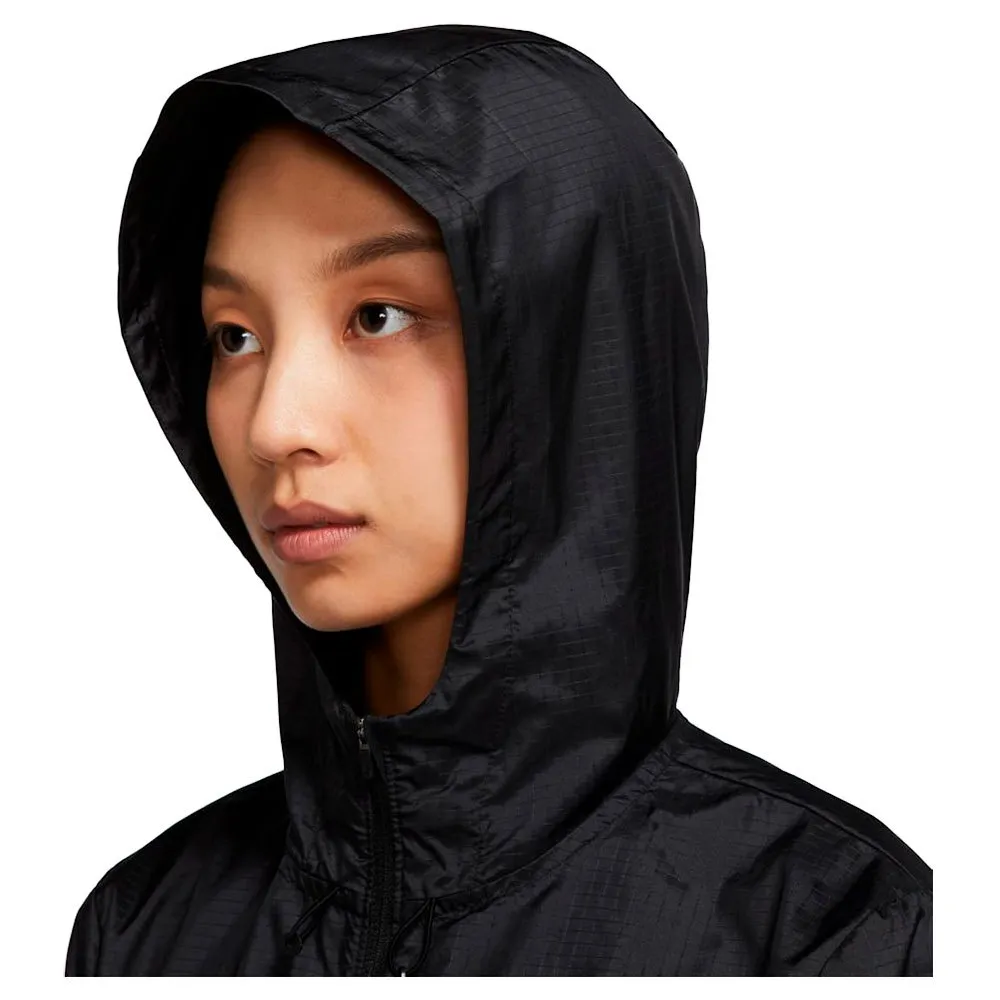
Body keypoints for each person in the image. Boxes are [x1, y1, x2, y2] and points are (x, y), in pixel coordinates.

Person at [65, 24, 932, 976]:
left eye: (378, 317)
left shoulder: (828, 929)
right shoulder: (142, 930)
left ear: (577, 347)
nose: (276, 426)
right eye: (233, 336)